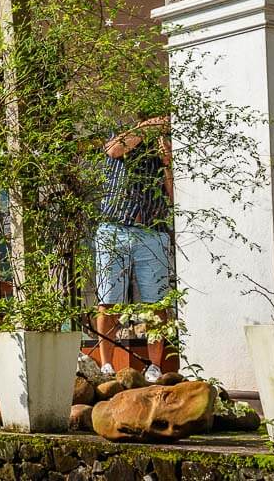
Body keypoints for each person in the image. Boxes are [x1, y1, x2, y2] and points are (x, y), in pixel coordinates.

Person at [93, 114, 173, 374]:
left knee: (156, 303)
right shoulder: (121, 134)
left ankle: (155, 367)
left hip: (152, 231)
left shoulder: (165, 146)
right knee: (108, 300)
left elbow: (173, 196)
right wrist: (149, 127)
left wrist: (168, 161)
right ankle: (106, 363)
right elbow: (115, 150)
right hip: (114, 228)